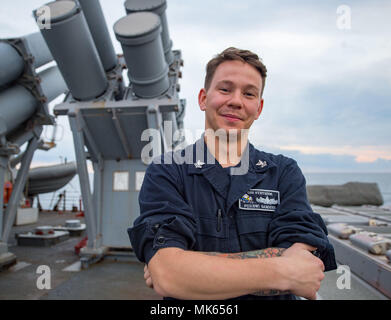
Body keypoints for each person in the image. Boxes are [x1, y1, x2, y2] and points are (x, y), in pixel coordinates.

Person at [128, 47, 337, 300]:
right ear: (203, 98)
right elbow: (170, 277)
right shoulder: (167, 172)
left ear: (258, 108)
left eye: (249, 94)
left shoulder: (283, 173)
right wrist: (283, 269)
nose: (236, 101)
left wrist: (185, 267)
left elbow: (305, 268)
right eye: (225, 89)